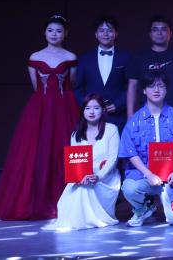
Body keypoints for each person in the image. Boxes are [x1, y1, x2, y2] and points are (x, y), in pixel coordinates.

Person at [0, 15, 79, 220]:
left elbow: (71, 84)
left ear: (65, 34)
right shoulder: (35, 56)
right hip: (40, 109)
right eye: (50, 30)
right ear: (44, 33)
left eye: (59, 31)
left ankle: (67, 201)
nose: (54, 34)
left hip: (64, 108)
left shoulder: (71, 56)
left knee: (65, 150)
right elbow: (36, 87)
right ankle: (36, 201)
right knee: (37, 151)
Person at [119, 68, 173, 226]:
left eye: (161, 86)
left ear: (166, 90)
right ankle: (143, 208)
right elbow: (130, 152)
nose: (156, 90)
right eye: (151, 86)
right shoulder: (134, 121)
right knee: (129, 188)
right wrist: (148, 174)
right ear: (144, 90)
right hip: (144, 177)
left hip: (171, 178)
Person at [45, 95, 122, 230]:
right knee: (75, 193)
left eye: (96, 108)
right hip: (83, 178)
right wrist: (80, 178)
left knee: (86, 188)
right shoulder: (76, 135)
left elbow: (112, 159)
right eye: (87, 108)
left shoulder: (111, 129)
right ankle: (79, 220)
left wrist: (97, 176)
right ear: (83, 111)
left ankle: (91, 219)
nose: (91, 112)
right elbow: (75, 163)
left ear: (103, 110)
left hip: (105, 178)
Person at [127, 16, 173, 119]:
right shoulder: (138, 57)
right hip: (145, 112)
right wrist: (130, 115)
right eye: (155, 30)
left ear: (170, 33)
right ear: (150, 34)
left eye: (163, 29)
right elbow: (132, 86)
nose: (159, 33)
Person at [74, 15, 131, 129]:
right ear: (96, 34)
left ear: (116, 33)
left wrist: (118, 105)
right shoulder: (85, 59)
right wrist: (88, 106)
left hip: (118, 117)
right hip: (91, 117)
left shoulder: (126, 58)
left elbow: (131, 86)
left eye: (109, 30)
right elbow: (77, 88)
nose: (105, 34)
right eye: (101, 30)